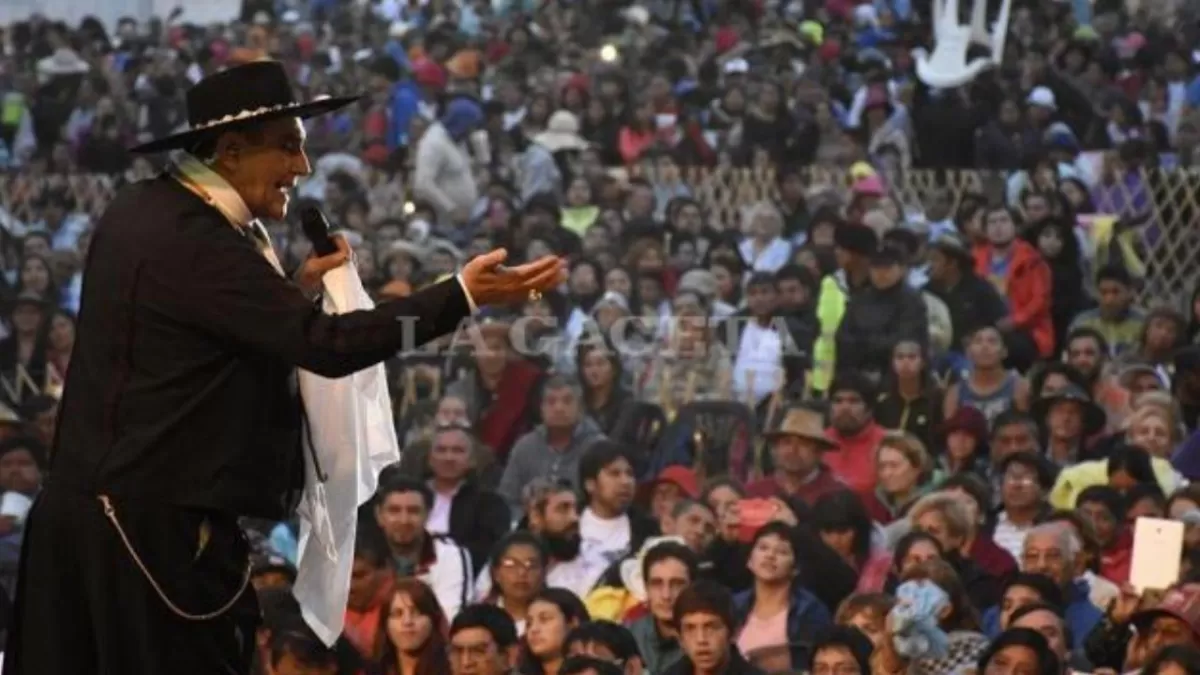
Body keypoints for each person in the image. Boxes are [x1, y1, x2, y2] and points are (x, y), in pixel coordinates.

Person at [6, 61, 565, 675]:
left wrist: (290, 294)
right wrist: (460, 295)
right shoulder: (195, 238)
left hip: (104, 522)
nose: (302, 167)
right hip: (145, 536)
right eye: (289, 148)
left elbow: (203, 344)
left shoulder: (146, 211)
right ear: (231, 149)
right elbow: (327, 344)